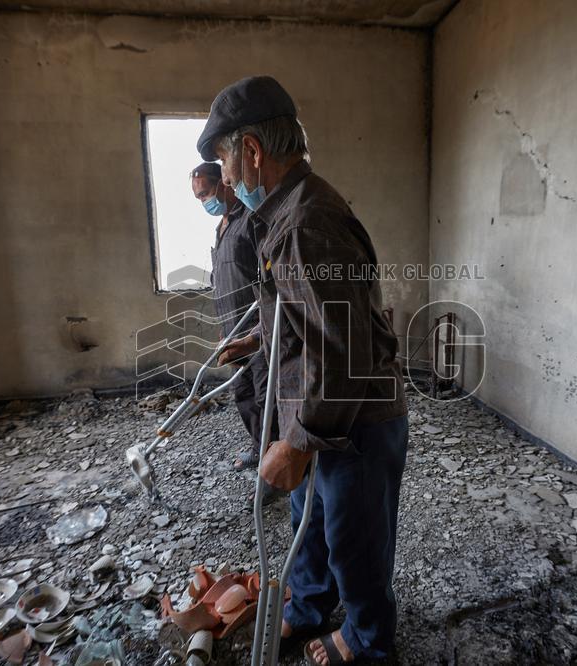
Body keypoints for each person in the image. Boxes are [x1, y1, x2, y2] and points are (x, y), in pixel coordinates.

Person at [198, 76, 408, 665]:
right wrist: (257, 337)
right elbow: (307, 312)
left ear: (254, 151)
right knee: (310, 521)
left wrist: (294, 443)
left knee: (354, 538)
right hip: (322, 412)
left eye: (226, 161)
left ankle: (368, 639)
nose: (228, 177)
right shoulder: (288, 211)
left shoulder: (305, 222)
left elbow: (343, 350)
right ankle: (311, 604)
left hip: (354, 417)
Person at [189, 162, 278, 471]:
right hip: (233, 330)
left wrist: (258, 333)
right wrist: (224, 329)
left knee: (268, 401)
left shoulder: (252, 222)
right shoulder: (223, 226)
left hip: (258, 332)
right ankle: (261, 449)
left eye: (205, 194)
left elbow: (271, 280)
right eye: (198, 198)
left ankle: (279, 467)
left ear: (224, 184)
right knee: (244, 395)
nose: (204, 202)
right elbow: (226, 280)